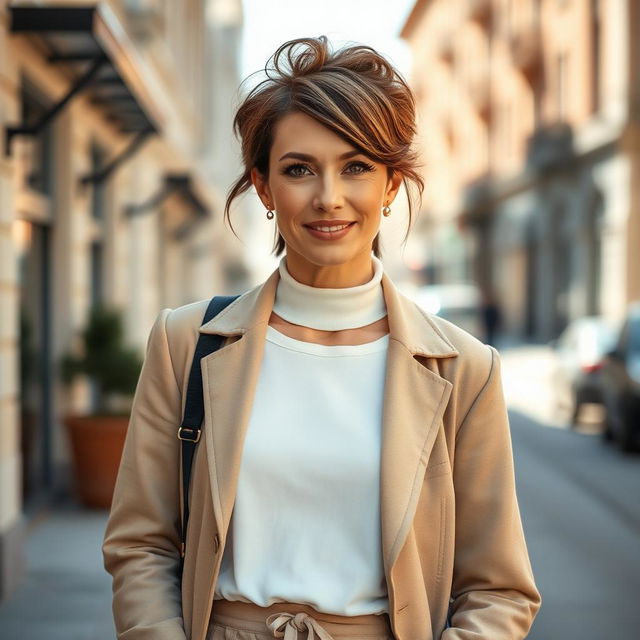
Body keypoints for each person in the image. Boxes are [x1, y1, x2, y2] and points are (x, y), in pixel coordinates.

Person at [103, 36, 541, 640]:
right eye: (299, 169)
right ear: (263, 187)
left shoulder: (462, 368)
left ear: (390, 187)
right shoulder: (186, 343)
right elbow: (141, 545)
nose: (328, 197)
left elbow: (498, 587)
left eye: (356, 166)